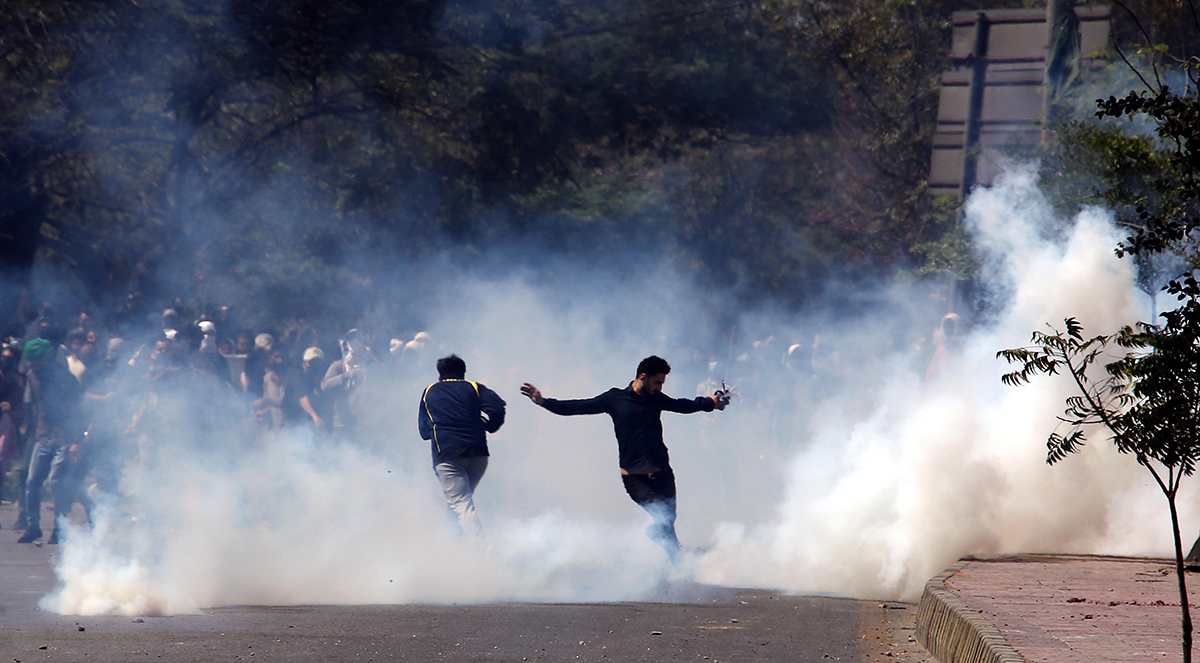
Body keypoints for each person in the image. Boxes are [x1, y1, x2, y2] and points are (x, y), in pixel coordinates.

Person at [520, 355, 726, 561]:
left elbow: (683, 405)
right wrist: (543, 402)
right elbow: (578, 406)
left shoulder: (656, 399)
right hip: (635, 477)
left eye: (662, 383)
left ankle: (676, 566)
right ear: (643, 377)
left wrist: (710, 403)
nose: (660, 388)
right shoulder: (615, 398)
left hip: (662, 472)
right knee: (662, 516)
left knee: (668, 519)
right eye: (657, 382)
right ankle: (677, 564)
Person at [418, 354, 506, 544]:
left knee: (461, 504)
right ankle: (451, 544)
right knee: (459, 503)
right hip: (479, 454)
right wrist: (490, 426)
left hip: (447, 455)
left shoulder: (429, 391)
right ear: (463, 373)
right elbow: (498, 408)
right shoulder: (474, 387)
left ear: (439, 375)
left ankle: (484, 552)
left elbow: (424, 432)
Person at [17, 338, 83, 545]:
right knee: (32, 482)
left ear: (47, 358)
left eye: (37, 362)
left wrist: (77, 441)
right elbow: (36, 403)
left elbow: (78, 411)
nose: (34, 366)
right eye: (31, 362)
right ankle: (33, 527)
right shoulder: (31, 374)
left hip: (65, 437)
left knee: (57, 482)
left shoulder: (65, 378)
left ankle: (59, 529)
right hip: (43, 435)